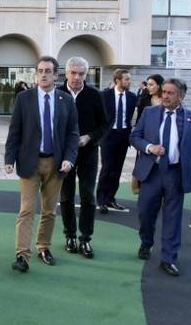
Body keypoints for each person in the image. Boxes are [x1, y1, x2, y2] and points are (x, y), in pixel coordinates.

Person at [5, 56, 79, 273]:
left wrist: (69, 158)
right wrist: (9, 159)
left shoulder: (66, 100)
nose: (44, 74)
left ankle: (44, 247)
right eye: (40, 70)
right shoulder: (24, 98)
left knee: (49, 211)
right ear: (35, 74)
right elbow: (15, 131)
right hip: (30, 162)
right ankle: (22, 256)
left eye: (48, 71)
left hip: (56, 164)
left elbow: (73, 133)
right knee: (27, 210)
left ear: (56, 75)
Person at [130, 78, 191, 277]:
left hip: (175, 173)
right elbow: (135, 137)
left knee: (173, 217)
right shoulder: (149, 113)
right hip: (151, 172)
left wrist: (181, 158)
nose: (165, 96)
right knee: (145, 212)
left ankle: (169, 258)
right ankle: (146, 243)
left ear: (181, 96)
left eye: (170, 93)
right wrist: (150, 148)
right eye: (164, 92)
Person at [58, 57, 109, 258]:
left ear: (86, 75)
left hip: (88, 152)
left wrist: (89, 137)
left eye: (81, 74)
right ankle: (69, 235)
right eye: (73, 73)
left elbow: (105, 125)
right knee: (66, 196)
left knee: (88, 196)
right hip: (64, 154)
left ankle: (85, 238)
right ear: (66, 73)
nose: (77, 77)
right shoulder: (57, 94)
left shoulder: (95, 95)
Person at [97, 69, 137, 213]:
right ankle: (101, 200)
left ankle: (110, 199)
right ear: (117, 80)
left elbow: (130, 117)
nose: (129, 81)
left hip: (123, 137)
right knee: (107, 168)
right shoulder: (104, 95)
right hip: (108, 136)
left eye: (129, 79)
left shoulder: (132, 97)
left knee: (117, 170)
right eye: (126, 79)